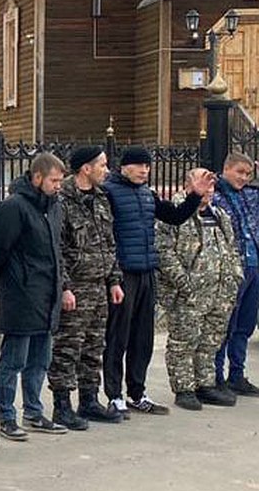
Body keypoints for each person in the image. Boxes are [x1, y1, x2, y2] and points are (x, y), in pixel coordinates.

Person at [101, 148, 214, 416]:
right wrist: (111, 275)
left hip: (147, 271)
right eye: (138, 165)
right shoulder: (109, 193)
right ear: (124, 167)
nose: (144, 170)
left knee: (143, 337)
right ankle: (114, 395)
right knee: (118, 336)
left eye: (147, 166)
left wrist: (195, 195)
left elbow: (174, 217)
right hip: (123, 273)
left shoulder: (147, 194)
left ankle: (137, 393)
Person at [0, 152, 67, 441]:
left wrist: (62, 286)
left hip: (48, 295)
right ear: (37, 178)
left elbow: (57, 251)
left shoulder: (54, 208)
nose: (59, 186)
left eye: (60, 180)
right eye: (54, 180)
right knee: (13, 360)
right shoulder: (14, 207)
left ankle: (33, 411)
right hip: (22, 293)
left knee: (40, 360)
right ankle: (6, 416)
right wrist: (9, 281)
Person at [48, 146, 124, 429]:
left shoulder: (102, 199)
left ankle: (89, 400)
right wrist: (65, 287)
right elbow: (58, 248)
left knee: (94, 346)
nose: (107, 170)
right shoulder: (62, 200)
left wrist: (114, 280)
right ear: (86, 169)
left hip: (99, 285)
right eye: (102, 165)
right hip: (76, 287)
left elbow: (109, 242)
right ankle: (62, 406)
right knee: (68, 347)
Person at [157, 191, 242, 410]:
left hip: (219, 292)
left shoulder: (219, 214)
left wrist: (235, 275)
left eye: (211, 188)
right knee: (184, 342)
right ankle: (184, 388)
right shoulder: (176, 214)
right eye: (203, 186)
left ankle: (205, 384)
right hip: (189, 293)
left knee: (210, 341)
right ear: (190, 186)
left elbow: (232, 247)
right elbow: (164, 251)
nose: (208, 192)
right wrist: (184, 283)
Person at [213, 153, 259, 396]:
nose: (244, 177)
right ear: (226, 168)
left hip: (253, 265)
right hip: (231, 268)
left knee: (245, 324)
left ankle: (237, 374)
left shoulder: (250, 195)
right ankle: (216, 375)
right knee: (226, 324)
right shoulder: (215, 195)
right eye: (239, 172)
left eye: (248, 173)